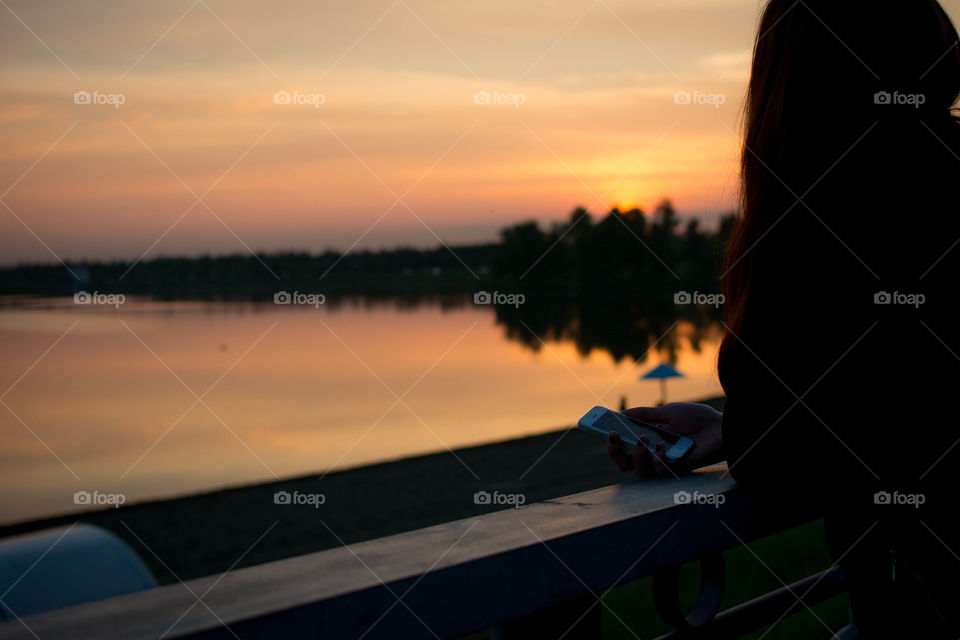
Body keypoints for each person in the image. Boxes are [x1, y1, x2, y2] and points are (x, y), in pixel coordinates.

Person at [608, 1, 960, 637]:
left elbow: (795, 454)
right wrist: (733, 427)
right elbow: (887, 402)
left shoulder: (822, 209)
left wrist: (749, 431)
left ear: (788, 79)